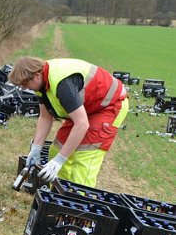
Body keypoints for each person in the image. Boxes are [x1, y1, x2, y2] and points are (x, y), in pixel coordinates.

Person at [9, 57, 129, 188]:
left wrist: (60, 160)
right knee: (57, 149)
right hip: (86, 107)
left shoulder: (63, 85)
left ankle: (79, 200)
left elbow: (82, 124)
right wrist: (36, 147)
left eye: (25, 84)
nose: (25, 88)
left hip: (109, 105)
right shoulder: (41, 81)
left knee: (83, 157)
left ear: (37, 75)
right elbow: (45, 117)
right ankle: (59, 195)